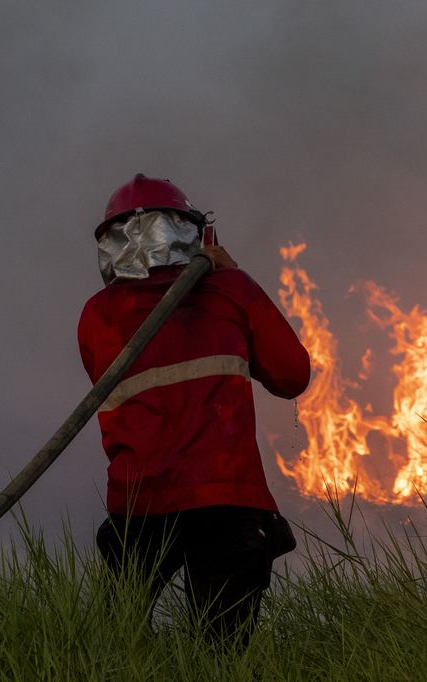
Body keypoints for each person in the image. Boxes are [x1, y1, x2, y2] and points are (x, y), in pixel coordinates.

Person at [77, 173, 310, 643]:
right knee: (222, 653)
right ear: (194, 232)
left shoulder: (97, 315)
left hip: (138, 508)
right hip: (226, 503)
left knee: (118, 649)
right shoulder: (230, 290)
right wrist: (228, 274)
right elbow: (291, 376)